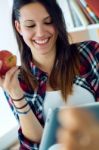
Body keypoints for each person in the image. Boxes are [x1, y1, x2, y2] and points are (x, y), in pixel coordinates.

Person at [0, 0, 99, 149]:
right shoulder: (15, 80)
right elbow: (36, 145)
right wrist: (16, 95)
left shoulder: (89, 52)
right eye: (30, 25)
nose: (40, 33)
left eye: (48, 22)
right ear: (19, 27)